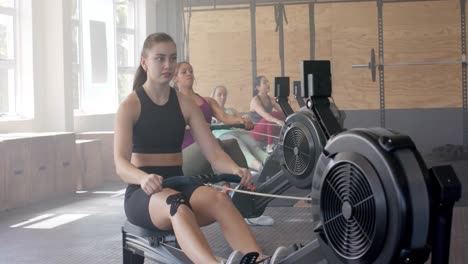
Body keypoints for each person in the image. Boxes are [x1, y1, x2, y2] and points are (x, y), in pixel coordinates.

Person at [114, 32, 289, 264]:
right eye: (160, 58)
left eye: (172, 58)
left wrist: (235, 169)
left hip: (178, 184)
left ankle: (259, 260)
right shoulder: (130, 106)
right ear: (144, 62)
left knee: (220, 199)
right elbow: (120, 164)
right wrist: (143, 178)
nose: (168, 65)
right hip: (142, 194)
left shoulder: (185, 104)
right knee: (178, 205)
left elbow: (214, 154)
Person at [174, 63, 274, 227]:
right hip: (186, 156)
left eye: (191, 70)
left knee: (232, 143)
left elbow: (225, 118)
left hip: (209, 150)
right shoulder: (173, 103)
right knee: (211, 146)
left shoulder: (206, 101)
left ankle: (247, 205)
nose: (189, 74)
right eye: (183, 72)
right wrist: (192, 126)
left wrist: (242, 121)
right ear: (175, 78)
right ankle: (225, 186)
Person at [211, 85, 268, 172]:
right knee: (239, 145)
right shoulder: (210, 113)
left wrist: (246, 120)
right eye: (219, 95)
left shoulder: (231, 110)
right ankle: (259, 167)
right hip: (224, 136)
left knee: (253, 144)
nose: (222, 97)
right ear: (213, 96)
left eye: (224, 94)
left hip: (239, 132)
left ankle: (270, 161)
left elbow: (242, 121)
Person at [249, 76, 285, 153]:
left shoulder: (271, 99)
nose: (268, 84)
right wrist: (277, 121)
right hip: (257, 132)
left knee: (282, 115)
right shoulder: (255, 100)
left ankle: (282, 140)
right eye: (264, 83)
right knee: (271, 116)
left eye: (267, 81)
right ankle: (270, 145)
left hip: (267, 129)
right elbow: (266, 115)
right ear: (258, 87)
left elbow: (283, 112)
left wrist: (285, 103)